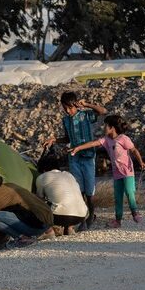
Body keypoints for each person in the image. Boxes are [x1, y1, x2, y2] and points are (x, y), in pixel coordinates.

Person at [44, 91, 107, 230]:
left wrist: (87, 104)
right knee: (79, 189)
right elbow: (68, 138)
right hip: (74, 157)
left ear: (76, 104)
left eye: (70, 107)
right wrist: (54, 139)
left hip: (88, 156)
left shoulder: (85, 115)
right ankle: (83, 218)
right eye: (65, 108)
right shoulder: (66, 120)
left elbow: (103, 111)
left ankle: (91, 215)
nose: (68, 111)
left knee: (90, 190)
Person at [70, 115, 145, 228]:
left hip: (127, 172)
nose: (103, 127)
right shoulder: (106, 140)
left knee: (130, 192)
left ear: (112, 128)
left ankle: (135, 212)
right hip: (116, 174)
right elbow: (93, 143)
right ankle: (118, 220)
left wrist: (140, 162)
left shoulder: (123, 138)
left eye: (105, 125)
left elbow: (134, 150)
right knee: (118, 197)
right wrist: (78, 148)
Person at [0, 172, 54, 245]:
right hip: (49, 221)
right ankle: (48, 231)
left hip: (37, 228)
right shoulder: (10, 185)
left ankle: (23, 238)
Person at [36, 151, 88, 235]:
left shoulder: (42, 177)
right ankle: (69, 228)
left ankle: (48, 231)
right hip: (81, 216)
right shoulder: (68, 174)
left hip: (61, 217)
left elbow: (39, 199)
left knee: (37, 203)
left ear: (44, 169)